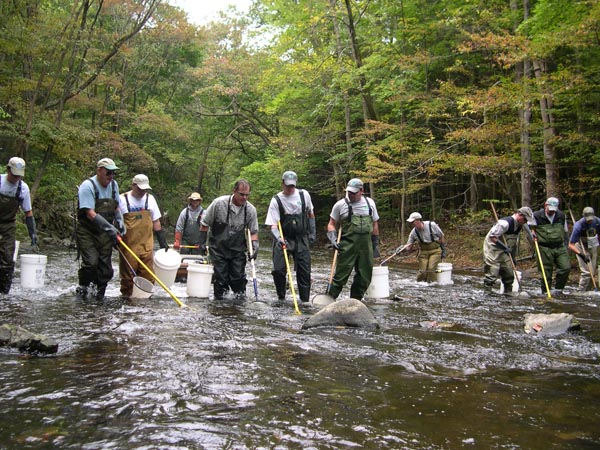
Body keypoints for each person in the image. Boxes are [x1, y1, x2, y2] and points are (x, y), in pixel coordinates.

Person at [199, 179, 259, 300]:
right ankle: (220, 305)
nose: (244, 198)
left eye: (247, 195)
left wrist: (254, 245)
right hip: (218, 249)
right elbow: (204, 224)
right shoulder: (218, 204)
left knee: (238, 279)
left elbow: (253, 232)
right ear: (234, 191)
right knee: (221, 279)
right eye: (242, 194)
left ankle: (238, 305)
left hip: (237, 250)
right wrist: (201, 243)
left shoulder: (250, 210)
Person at [75, 157, 123, 300]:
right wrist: (110, 228)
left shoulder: (114, 185)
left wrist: (120, 223)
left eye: (113, 173)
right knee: (91, 263)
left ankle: (98, 296)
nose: (111, 176)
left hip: (105, 234)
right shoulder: (87, 186)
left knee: (105, 270)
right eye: (108, 173)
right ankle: (83, 288)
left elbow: (117, 207)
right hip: (87, 231)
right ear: (99, 170)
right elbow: (90, 213)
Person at [265, 171, 316, 303]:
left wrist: (312, 232)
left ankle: (305, 301)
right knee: (278, 270)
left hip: (301, 238)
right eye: (287, 185)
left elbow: (310, 214)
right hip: (283, 238)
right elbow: (273, 226)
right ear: (282, 183)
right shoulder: (276, 200)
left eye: (292, 185)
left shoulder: (304, 195)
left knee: (304, 271)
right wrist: (278, 238)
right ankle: (281, 297)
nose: (290, 188)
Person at [326, 178, 380, 300]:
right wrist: (333, 238)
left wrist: (375, 243)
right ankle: (328, 300)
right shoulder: (340, 205)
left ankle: (355, 302)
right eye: (349, 192)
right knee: (340, 276)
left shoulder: (370, 203)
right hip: (347, 246)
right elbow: (331, 224)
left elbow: (375, 223)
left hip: (366, 247)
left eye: (353, 192)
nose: (350, 194)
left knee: (364, 277)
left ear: (362, 191)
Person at [117, 174, 169, 297]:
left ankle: (145, 302)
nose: (142, 191)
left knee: (148, 276)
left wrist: (162, 240)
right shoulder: (122, 199)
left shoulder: (150, 199)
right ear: (133, 186)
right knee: (128, 278)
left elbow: (156, 221)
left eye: (145, 189)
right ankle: (127, 301)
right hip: (128, 246)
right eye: (140, 188)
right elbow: (116, 221)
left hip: (147, 245)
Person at [0, 157, 38, 294]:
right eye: (14, 174)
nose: (16, 178)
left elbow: (28, 213)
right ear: (8, 169)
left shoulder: (23, 188)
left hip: (8, 225)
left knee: (7, 260)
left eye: (19, 175)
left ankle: (4, 293)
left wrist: (32, 234)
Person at [483, 206, 535, 294]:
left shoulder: (520, 225)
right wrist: (504, 247)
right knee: (492, 272)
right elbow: (493, 237)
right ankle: (487, 294)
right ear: (520, 215)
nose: (525, 222)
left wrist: (513, 258)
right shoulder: (504, 223)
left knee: (509, 273)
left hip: (505, 250)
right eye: (525, 219)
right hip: (493, 248)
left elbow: (513, 243)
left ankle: (508, 294)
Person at [532, 197, 570, 295]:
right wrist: (532, 235)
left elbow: (565, 232)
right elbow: (530, 230)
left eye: (554, 210)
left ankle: (558, 290)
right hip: (544, 247)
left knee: (565, 268)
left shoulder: (561, 216)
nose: (552, 212)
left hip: (559, 246)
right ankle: (545, 292)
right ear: (545, 205)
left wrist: (566, 245)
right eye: (550, 210)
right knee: (546, 272)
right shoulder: (536, 216)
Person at [395, 212, 446, 282]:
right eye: (411, 222)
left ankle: (433, 284)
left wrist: (443, 251)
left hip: (435, 251)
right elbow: (409, 246)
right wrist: (402, 249)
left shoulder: (432, 225)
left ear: (419, 220)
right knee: (422, 272)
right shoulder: (413, 232)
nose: (412, 224)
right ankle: (420, 285)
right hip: (423, 252)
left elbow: (441, 236)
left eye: (413, 222)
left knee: (431, 269)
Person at [568, 207, 600, 291]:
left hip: (593, 245)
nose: (589, 221)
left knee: (592, 272)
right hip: (581, 246)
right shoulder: (578, 225)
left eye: (591, 219)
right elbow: (571, 245)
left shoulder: (597, 222)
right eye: (587, 219)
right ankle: (581, 292)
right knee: (586, 272)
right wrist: (581, 254)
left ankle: (589, 291)